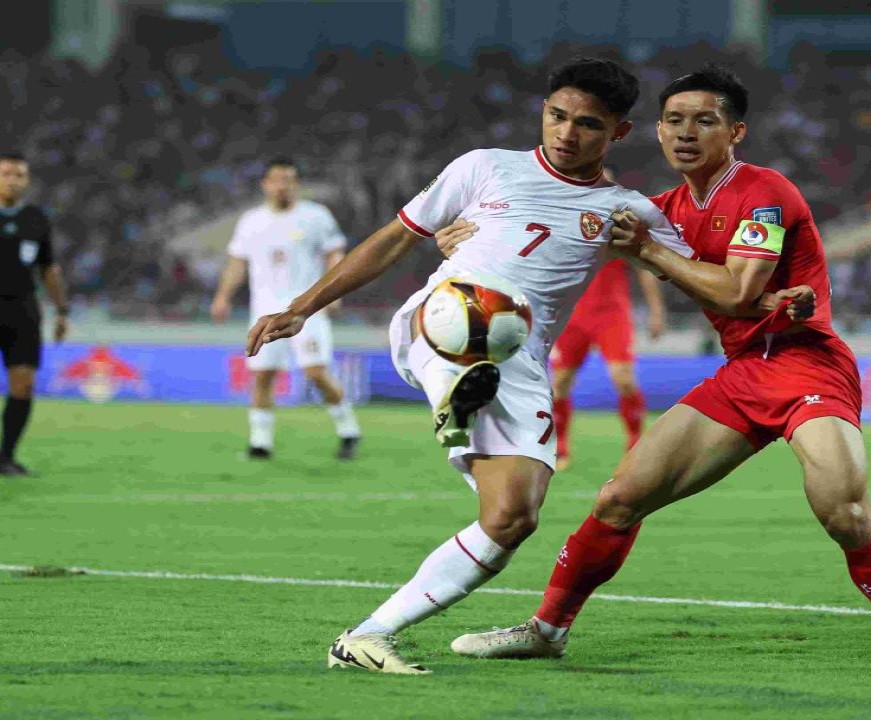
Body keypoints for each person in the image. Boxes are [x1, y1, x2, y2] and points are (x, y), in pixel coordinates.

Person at [243, 57, 813, 675]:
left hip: (519, 360)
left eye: (587, 125)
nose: (566, 134)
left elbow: (710, 283)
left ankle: (367, 636)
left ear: (618, 133)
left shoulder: (628, 213)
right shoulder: (483, 167)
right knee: (485, 310)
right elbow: (394, 238)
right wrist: (301, 307)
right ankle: (460, 391)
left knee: (512, 518)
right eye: (556, 116)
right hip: (447, 315)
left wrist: (773, 301)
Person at [448, 65, 871, 674]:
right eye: (674, 120)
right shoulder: (663, 211)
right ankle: (546, 629)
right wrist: (465, 240)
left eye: (705, 120)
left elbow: (734, 293)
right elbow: (547, 236)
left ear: (735, 132)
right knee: (619, 499)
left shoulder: (764, 192)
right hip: (741, 374)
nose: (686, 132)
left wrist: (648, 251)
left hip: (808, 366)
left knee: (843, 509)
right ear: (654, 130)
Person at [211, 158, 361, 461]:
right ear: (265, 184)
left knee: (315, 372)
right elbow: (237, 262)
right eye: (277, 179)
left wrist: (334, 293)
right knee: (264, 375)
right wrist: (223, 296)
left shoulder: (315, 216)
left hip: (308, 306)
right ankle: (260, 443)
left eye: (289, 179)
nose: (282, 185)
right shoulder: (251, 221)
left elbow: (335, 254)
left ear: (297, 184)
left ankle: (348, 431)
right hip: (264, 309)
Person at [551, 256, 666, 470]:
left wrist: (656, 310)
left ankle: (635, 444)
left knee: (624, 379)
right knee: (559, 383)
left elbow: (645, 268)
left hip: (612, 313)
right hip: (573, 315)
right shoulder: (565, 228)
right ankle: (560, 446)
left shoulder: (613, 226)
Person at [0, 152, 69, 477]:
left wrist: (61, 311)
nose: (12, 180)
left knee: (23, 383)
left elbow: (48, 269)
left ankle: (6, 457)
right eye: (6, 173)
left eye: (19, 175)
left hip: (22, 309)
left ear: (27, 181)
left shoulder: (35, 219)